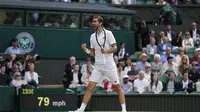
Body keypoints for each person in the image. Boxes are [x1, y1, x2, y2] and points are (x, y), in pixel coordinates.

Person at [77, 16, 127, 112]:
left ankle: (124, 110)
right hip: (98, 67)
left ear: (100, 23)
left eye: (95, 21)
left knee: (118, 87)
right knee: (89, 87)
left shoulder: (108, 33)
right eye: (93, 21)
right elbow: (92, 53)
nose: (93, 23)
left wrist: (107, 51)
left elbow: (115, 48)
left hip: (109, 66)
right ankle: (81, 110)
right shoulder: (92, 36)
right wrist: (85, 49)